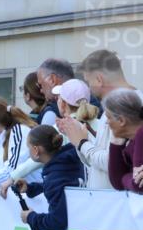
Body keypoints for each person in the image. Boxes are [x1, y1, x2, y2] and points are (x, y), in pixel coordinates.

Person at [59, 49, 143, 190]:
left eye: (89, 82)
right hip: (108, 201)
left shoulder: (133, 104)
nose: (90, 89)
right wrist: (78, 140)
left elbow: (115, 162)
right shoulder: (110, 108)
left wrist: (83, 143)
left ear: (99, 79)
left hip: (123, 204)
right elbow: (96, 163)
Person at [13, 126, 82, 230]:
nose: (28, 150)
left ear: (36, 150)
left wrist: (31, 218)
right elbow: (64, 187)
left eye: (29, 147)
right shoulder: (71, 159)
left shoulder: (54, 177)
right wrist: (30, 188)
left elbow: (57, 222)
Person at [103, 88, 143, 193]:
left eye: (109, 117)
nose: (107, 123)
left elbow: (139, 184)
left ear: (121, 120)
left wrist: (124, 178)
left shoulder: (141, 134)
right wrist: (115, 144)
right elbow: (117, 182)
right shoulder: (130, 139)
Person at [35, 58, 75, 126]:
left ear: (52, 80)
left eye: (40, 85)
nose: (41, 90)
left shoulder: (51, 113)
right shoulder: (93, 104)